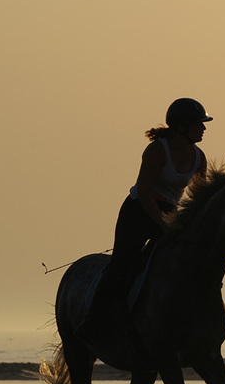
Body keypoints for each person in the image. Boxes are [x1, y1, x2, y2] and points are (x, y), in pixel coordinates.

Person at [79, 98, 212, 339]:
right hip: (139, 211)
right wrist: (162, 224)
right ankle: (93, 320)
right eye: (198, 124)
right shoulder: (157, 150)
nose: (204, 128)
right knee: (122, 263)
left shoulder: (199, 157)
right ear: (182, 126)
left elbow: (200, 199)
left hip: (170, 212)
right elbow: (144, 192)